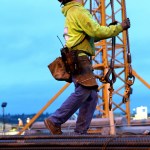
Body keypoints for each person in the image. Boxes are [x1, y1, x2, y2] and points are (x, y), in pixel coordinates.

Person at [44, 0, 130, 135]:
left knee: (92, 96)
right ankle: (55, 120)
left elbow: (89, 36)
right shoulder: (78, 11)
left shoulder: (71, 12)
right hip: (80, 58)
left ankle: (80, 131)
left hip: (75, 57)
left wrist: (110, 28)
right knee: (84, 90)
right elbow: (96, 31)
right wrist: (120, 27)